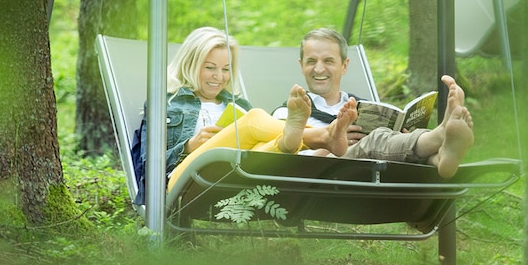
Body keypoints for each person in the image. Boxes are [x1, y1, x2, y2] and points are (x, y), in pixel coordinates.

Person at [133, 27, 351, 203]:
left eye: (226, 69)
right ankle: (320, 136)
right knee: (254, 119)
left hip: (241, 179)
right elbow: (147, 165)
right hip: (185, 183)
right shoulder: (166, 105)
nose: (219, 77)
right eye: (210, 68)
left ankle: (290, 140)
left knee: (263, 148)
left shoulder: (239, 105)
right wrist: (188, 146)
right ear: (191, 64)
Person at [273, 28, 475, 178]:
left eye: (328, 61)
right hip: (323, 173)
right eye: (311, 61)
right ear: (301, 66)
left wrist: (401, 136)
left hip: (376, 169)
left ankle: (440, 158)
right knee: (375, 140)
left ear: (344, 66)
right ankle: (440, 134)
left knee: (386, 141)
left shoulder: (364, 106)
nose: (318, 69)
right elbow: (287, 161)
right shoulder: (288, 112)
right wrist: (333, 142)